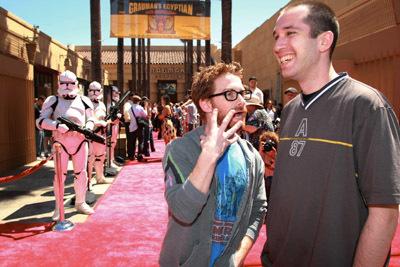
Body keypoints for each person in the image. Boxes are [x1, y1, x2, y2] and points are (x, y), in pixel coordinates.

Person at [262, 1, 400, 266]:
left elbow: (385, 212)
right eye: (276, 36)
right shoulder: (290, 112)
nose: (278, 46)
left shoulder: (367, 107)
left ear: (324, 41)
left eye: (291, 33)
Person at [159, 62, 267, 266]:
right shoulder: (180, 149)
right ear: (206, 104)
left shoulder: (251, 156)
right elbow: (183, 212)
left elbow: (258, 210)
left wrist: (237, 257)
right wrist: (209, 155)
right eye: (230, 94)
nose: (241, 102)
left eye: (242, 93)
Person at [36, 70, 95, 221]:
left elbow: (91, 119)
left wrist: (88, 126)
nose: (67, 86)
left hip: (80, 141)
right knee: (59, 176)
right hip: (60, 142)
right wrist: (56, 125)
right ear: (59, 84)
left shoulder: (84, 101)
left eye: (70, 83)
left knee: (81, 173)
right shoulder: (53, 100)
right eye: (64, 83)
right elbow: (40, 121)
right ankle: (58, 207)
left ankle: (80, 202)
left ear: (76, 84)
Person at [87, 81, 110, 187]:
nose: (95, 93)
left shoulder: (102, 104)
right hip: (91, 134)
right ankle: (89, 182)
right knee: (90, 159)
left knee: (101, 157)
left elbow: (104, 118)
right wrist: (98, 123)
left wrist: (107, 122)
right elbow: (85, 121)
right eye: (92, 90)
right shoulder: (86, 104)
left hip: (101, 134)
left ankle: (99, 177)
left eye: (97, 90)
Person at [128, 95, 148, 162]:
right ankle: (139, 155)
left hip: (132, 126)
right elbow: (145, 115)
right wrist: (145, 107)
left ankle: (131, 156)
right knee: (140, 141)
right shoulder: (140, 108)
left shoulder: (130, 108)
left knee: (132, 142)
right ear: (138, 101)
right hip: (139, 126)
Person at [123, 92, 135, 160]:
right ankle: (130, 154)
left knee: (133, 139)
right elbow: (126, 114)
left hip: (132, 122)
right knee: (130, 139)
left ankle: (132, 153)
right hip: (129, 122)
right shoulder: (128, 104)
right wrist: (131, 119)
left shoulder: (132, 104)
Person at [34, 95, 45, 160]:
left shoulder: (40, 107)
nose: (43, 103)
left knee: (41, 140)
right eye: (43, 101)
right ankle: (37, 154)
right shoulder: (35, 107)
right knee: (38, 141)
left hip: (41, 126)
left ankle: (40, 153)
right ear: (39, 100)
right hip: (37, 126)